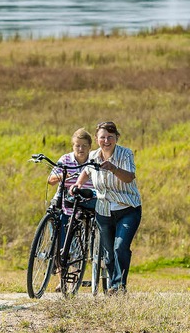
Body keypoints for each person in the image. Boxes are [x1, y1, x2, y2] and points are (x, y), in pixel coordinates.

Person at [71, 121, 142, 295]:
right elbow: (87, 171)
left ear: (116, 138)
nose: (106, 140)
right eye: (103, 137)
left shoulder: (125, 154)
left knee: (120, 247)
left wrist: (113, 168)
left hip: (128, 208)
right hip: (103, 210)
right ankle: (114, 287)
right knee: (109, 253)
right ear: (97, 139)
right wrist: (78, 185)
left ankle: (118, 286)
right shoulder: (94, 155)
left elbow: (129, 177)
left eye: (110, 137)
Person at [48, 128, 95, 291]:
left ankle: (73, 278)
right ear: (72, 146)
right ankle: (62, 280)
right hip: (65, 203)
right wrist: (64, 176)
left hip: (85, 204)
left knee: (78, 245)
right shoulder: (65, 159)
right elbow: (51, 180)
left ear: (90, 146)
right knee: (61, 242)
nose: (80, 149)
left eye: (84, 146)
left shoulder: (94, 159)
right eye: (77, 146)